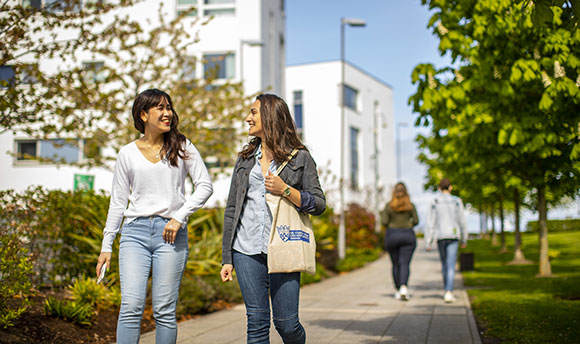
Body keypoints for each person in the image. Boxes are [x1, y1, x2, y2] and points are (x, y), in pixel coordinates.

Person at [95, 89, 213, 344]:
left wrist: (179, 216)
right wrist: (106, 245)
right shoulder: (126, 153)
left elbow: (204, 185)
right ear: (143, 114)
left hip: (170, 235)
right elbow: (118, 201)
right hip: (134, 234)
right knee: (130, 307)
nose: (167, 112)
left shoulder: (182, 146)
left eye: (168, 107)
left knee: (164, 312)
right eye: (160, 107)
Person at [220, 94, 325, 344]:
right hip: (246, 250)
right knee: (256, 322)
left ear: (270, 117)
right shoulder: (245, 159)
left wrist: (286, 189)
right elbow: (233, 208)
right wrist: (227, 258)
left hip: (284, 246)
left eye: (253, 113)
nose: (248, 118)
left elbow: (319, 204)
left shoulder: (300, 158)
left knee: (287, 325)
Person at [425, 178, 468, 303]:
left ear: (439, 188)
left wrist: (428, 241)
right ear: (451, 187)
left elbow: (430, 222)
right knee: (450, 265)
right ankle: (449, 291)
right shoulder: (457, 201)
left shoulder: (434, 201)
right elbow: (462, 221)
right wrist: (464, 238)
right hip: (453, 236)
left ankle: (446, 290)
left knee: (444, 264)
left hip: (440, 236)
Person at [381, 182, 419, 301]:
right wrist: (408, 223)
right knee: (405, 263)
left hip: (392, 235)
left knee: (395, 264)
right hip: (408, 235)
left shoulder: (389, 206)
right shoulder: (410, 206)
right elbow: (416, 221)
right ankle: (404, 287)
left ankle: (398, 289)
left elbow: (384, 221)